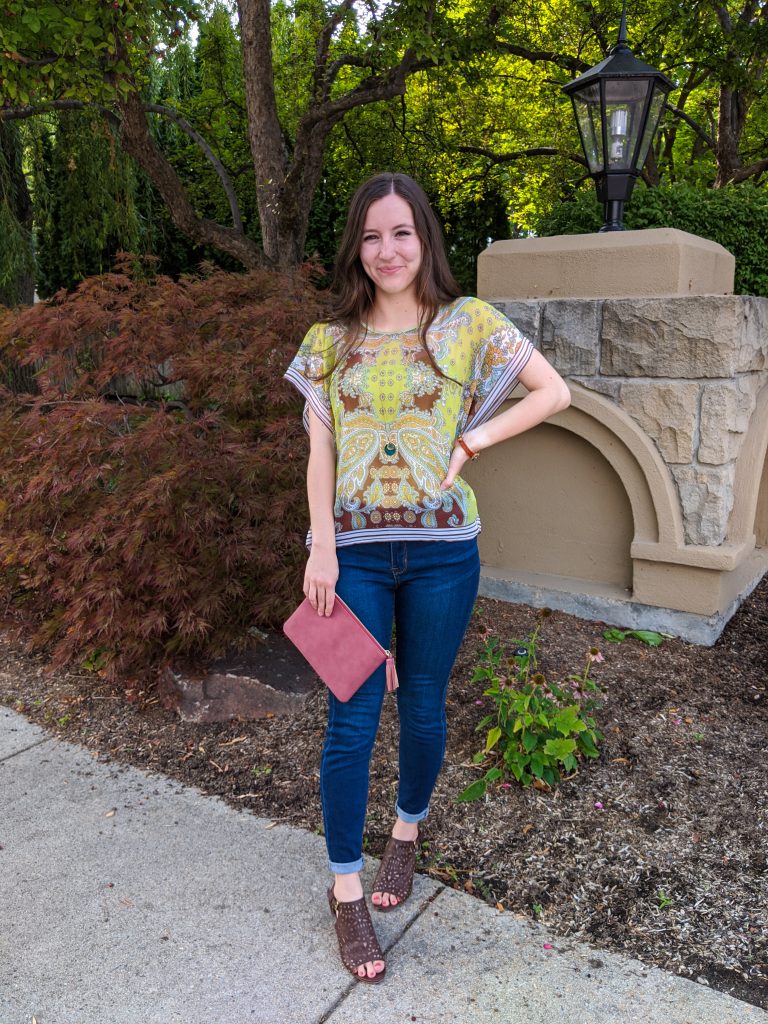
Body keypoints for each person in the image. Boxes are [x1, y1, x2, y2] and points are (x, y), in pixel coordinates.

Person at [284, 172, 570, 983]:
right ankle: (346, 891)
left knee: (424, 705)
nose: (387, 251)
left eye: (401, 233)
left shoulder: (469, 323)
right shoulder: (326, 341)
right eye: (371, 236)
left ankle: (405, 835)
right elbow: (321, 453)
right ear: (356, 246)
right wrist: (321, 547)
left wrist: (473, 446)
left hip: (446, 552)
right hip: (356, 561)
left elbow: (555, 391)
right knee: (350, 719)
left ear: (425, 239)